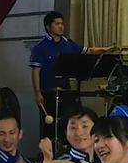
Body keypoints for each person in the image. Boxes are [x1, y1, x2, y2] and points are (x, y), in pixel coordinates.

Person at [30, 11, 111, 140]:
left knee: (70, 122)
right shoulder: (40, 47)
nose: (61, 26)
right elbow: (36, 71)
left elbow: (88, 50)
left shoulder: (68, 43)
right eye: (57, 24)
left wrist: (105, 50)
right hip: (48, 92)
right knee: (50, 126)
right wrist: (37, 93)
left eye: (62, 24)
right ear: (48, 26)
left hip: (66, 91)